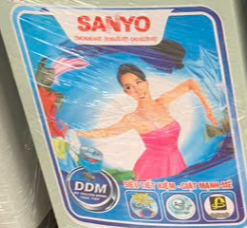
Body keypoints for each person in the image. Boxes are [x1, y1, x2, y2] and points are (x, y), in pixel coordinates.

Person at [79, 64, 217, 181]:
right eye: (129, 87)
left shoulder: (163, 103)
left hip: (176, 162)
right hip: (152, 168)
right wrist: (77, 132)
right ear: (126, 92)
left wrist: (209, 110)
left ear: (146, 83)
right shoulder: (133, 118)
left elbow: (191, 83)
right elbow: (106, 132)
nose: (137, 89)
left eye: (138, 82)